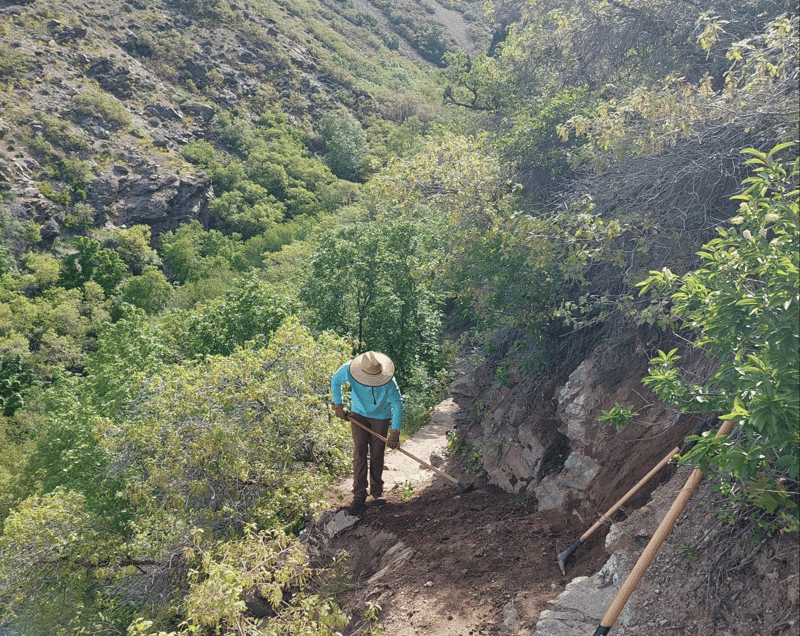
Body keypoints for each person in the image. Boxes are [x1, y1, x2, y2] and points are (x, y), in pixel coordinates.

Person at [331, 351, 403, 513]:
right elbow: (335, 381)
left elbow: (397, 404)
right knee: (360, 452)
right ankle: (359, 494)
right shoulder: (349, 369)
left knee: (377, 453)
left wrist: (395, 433)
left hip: (381, 416)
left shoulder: (388, 380)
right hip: (358, 414)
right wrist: (338, 406)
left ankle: (377, 492)